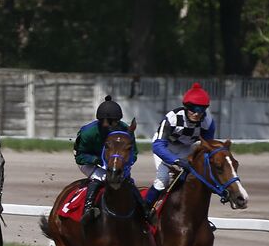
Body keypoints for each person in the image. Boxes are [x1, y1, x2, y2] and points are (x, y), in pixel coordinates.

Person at [144, 82, 218, 210]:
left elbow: (207, 146)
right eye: (193, 109)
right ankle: (144, 211)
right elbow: (157, 146)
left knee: (188, 181)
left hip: (186, 148)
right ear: (186, 107)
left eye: (201, 110)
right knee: (163, 180)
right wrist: (175, 161)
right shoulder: (172, 118)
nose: (197, 113)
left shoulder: (208, 122)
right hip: (165, 147)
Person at [74, 95, 139, 224]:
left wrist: (122, 165)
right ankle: (88, 209)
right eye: (102, 120)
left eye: (110, 121)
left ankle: (144, 211)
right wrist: (97, 160)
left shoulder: (125, 130)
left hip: (116, 162)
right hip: (90, 162)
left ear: (118, 121)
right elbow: (80, 156)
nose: (105, 124)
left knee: (127, 182)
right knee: (102, 178)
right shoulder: (88, 132)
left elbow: (134, 154)